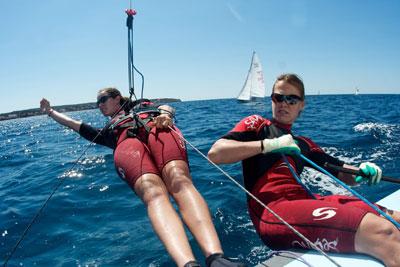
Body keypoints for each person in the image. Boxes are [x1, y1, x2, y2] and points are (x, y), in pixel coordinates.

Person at [208, 74, 400, 267]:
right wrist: (267, 145)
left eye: (292, 99)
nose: (284, 103)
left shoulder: (304, 144)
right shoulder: (257, 125)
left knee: (396, 218)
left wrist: (364, 172)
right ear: (272, 100)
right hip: (274, 211)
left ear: (302, 105)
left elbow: (341, 172)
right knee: (382, 232)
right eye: (278, 97)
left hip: (306, 202)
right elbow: (216, 153)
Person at [40, 87, 245, 267]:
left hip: (158, 126)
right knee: (153, 193)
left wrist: (166, 115)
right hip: (125, 142)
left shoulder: (142, 104)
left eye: (103, 99)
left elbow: (166, 106)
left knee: (179, 179)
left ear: (117, 98)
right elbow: (75, 125)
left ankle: (216, 258)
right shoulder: (106, 131)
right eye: (97, 103)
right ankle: (188, 264)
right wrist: (50, 112)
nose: (99, 105)